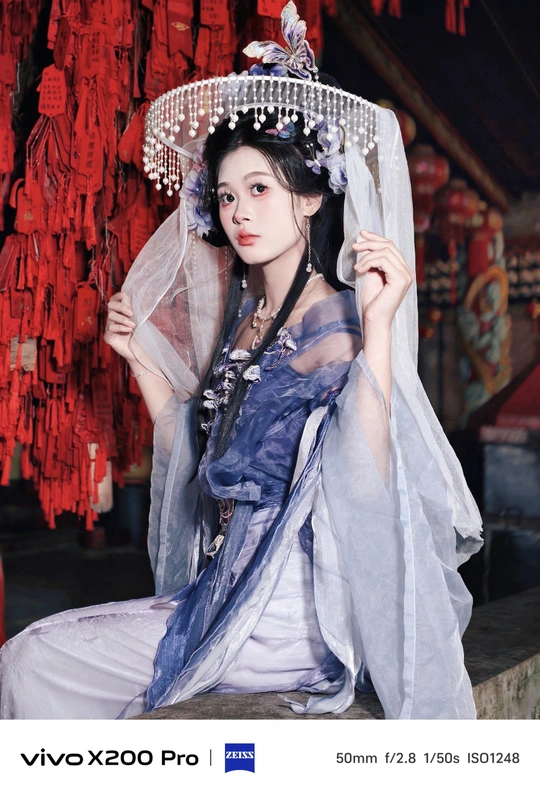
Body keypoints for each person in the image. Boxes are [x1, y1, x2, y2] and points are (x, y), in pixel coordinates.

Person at [0, 2, 483, 720]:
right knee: (41, 658)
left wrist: (379, 329)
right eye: (226, 195)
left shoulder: (334, 324)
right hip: (229, 589)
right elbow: (202, 460)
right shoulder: (249, 318)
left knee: (34, 657)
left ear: (311, 197)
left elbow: (367, 477)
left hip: (287, 609)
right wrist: (139, 362)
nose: (239, 213)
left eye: (260, 189)